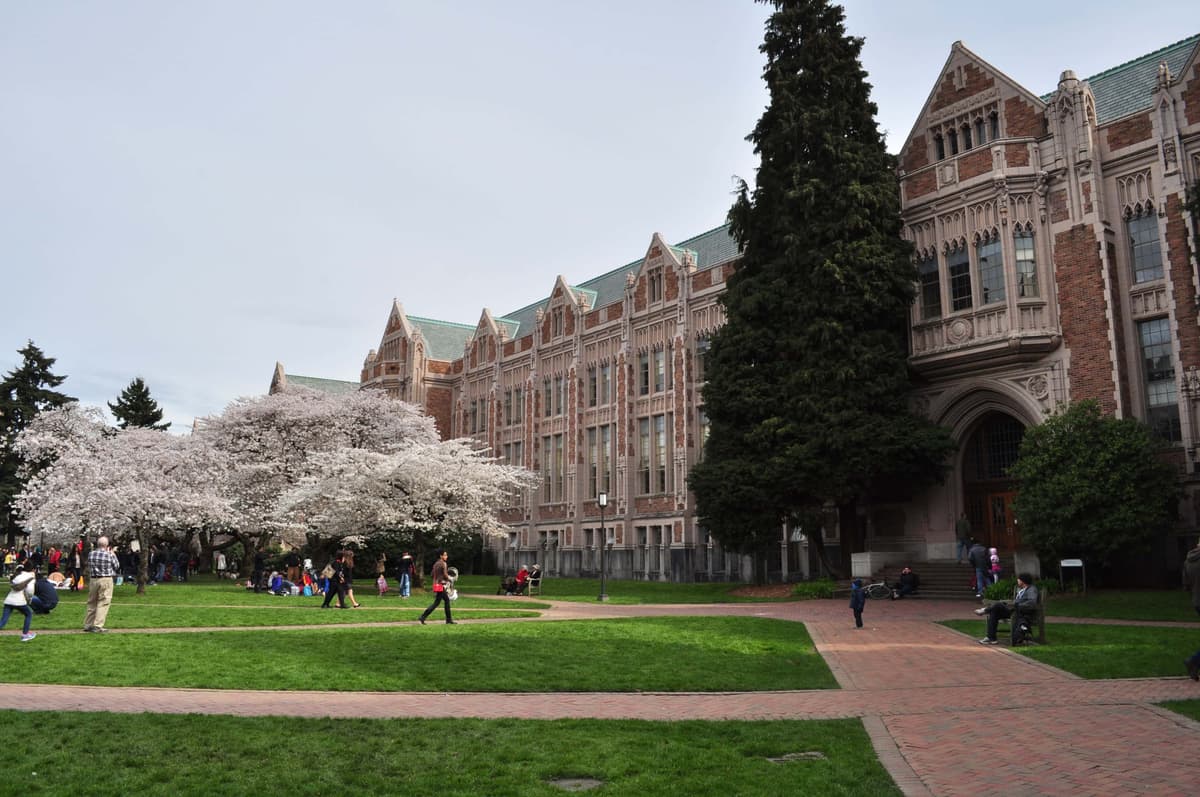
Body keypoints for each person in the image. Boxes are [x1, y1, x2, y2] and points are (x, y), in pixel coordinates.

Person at [975, 572, 1040, 645]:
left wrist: (1017, 605)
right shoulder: (1023, 589)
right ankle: (991, 638)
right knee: (994, 612)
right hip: (1013, 611)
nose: (1017, 581)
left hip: (1020, 613)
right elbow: (1017, 601)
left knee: (998, 605)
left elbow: (1032, 602)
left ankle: (985, 610)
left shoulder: (1031, 590)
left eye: (1018, 579)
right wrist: (1009, 603)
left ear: (1023, 581)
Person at [83, 535, 120, 633]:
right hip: (105, 579)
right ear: (107, 545)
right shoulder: (109, 555)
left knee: (92, 602)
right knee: (103, 602)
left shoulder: (91, 554)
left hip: (93, 580)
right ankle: (98, 625)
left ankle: (88, 624)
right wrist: (113, 554)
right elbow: (116, 566)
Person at [0, 560, 37, 641]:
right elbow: (30, 591)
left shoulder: (18, 575)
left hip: (9, 600)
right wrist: (29, 600)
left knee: (3, 621)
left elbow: (13, 584)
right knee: (29, 614)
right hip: (19, 600)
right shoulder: (30, 577)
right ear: (33, 569)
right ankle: (25, 634)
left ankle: (26, 634)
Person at [419, 549, 456, 625]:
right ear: (441, 556)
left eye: (446, 555)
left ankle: (448, 619)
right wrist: (450, 579)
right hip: (440, 585)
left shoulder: (436, 564)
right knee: (439, 602)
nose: (446, 556)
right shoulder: (443, 564)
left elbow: (432, 575)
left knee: (443, 601)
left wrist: (440, 577)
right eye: (445, 555)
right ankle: (423, 617)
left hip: (436, 585)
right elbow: (445, 575)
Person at [1184, 540, 1200, 681]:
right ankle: (1194, 661)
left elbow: (1186, 584)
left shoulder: (1189, 560)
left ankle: (1194, 662)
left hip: (1197, 601)